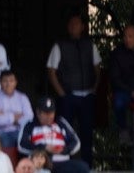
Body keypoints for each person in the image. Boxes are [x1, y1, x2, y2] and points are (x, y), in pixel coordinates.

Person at [45, 13, 100, 167]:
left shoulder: (90, 45)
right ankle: (64, 166)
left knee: (87, 134)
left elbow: (97, 69)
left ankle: (87, 167)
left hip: (87, 96)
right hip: (68, 97)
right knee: (63, 133)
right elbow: (51, 71)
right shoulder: (59, 45)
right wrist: (62, 94)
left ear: (83, 27)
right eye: (71, 24)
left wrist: (94, 90)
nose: (73, 26)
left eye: (77, 24)